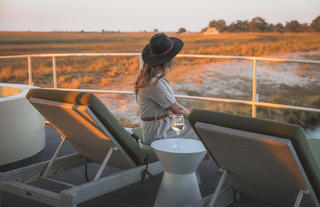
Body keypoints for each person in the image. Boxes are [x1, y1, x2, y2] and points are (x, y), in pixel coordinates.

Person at [135, 33, 198, 145]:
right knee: (199, 131)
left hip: (162, 125)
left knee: (191, 126)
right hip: (158, 133)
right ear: (168, 60)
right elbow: (178, 109)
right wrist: (198, 121)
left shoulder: (149, 77)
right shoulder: (155, 83)